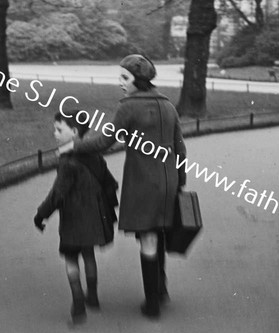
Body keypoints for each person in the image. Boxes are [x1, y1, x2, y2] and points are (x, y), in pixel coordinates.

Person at [60, 54, 187, 319]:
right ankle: (160, 290)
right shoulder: (168, 106)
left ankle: (151, 305)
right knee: (159, 234)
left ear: (138, 81)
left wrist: (74, 145)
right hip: (169, 181)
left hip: (144, 182)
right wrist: (180, 180)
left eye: (125, 78)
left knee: (148, 239)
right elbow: (180, 147)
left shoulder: (128, 107)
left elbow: (106, 141)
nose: (120, 82)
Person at [33, 111, 118, 325]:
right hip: (94, 217)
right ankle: (93, 296)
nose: (54, 133)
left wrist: (41, 214)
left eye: (59, 129)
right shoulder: (94, 155)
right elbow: (109, 182)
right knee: (89, 254)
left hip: (73, 218)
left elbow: (57, 194)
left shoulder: (67, 161)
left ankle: (78, 302)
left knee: (71, 259)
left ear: (75, 132)